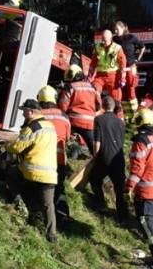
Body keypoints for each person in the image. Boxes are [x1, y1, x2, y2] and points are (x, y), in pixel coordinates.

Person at [6, 99, 60, 242]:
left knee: (11, 173)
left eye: (24, 111)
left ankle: (17, 204)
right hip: (50, 174)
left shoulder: (32, 128)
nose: (23, 114)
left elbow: (17, 147)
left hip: (32, 171)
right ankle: (51, 235)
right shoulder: (51, 126)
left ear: (31, 111)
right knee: (48, 205)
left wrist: (6, 146)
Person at [125, 108, 153, 263]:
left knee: (146, 220)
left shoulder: (141, 141)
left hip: (146, 190)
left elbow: (137, 167)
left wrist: (129, 186)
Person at [90, 95, 129, 223]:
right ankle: (123, 216)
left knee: (95, 180)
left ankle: (102, 204)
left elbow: (97, 142)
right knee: (119, 187)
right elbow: (122, 141)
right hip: (118, 159)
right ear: (113, 107)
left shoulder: (99, 119)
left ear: (102, 105)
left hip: (104, 157)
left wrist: (95, 157)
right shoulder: (121, 122)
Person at [38, 85, 72, 220]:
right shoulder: (64, 116)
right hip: (60, 161)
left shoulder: (39, 114)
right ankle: (63, 215)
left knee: (41, 188)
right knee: (59, 188)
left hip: (43, 159)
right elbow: (68, 137)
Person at [59, 64, 101, 154]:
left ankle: (71, 149)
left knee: (63, 138)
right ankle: (99, 162)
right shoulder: (93, 88)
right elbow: (99, 105)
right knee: (94, 149)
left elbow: (63, 106)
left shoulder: (70, 87)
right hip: (89, 123)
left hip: (73, 121)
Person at [114, 21, 145, 118]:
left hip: (130, 67)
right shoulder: (114, 39)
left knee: (131, 91)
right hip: (120, 69)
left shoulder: (131, 38)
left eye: (117, 29)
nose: (115, 31)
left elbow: (142, 47)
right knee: (122, 92)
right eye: (114, 29)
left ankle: (135, 115)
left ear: (123, 29)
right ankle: (126, 115)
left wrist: (137, 59)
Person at [92, 29, 126, 105]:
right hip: (100, 76)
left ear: (111, 39)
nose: (103, 42)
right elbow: (93, 63)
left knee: (117, 100)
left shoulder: (117, 48)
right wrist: (89, 77)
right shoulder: (97, 47)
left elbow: (123, 65)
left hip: (113, 76)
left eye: (105, 41)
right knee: (94, 92)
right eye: (102, 40)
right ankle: (99, 111)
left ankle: (119, 116)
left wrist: (122, 79)